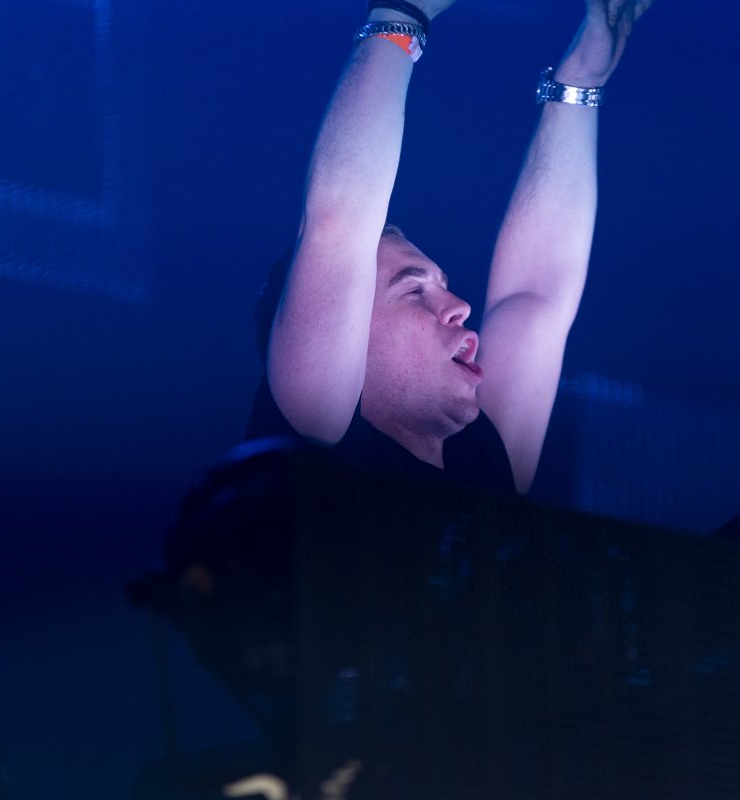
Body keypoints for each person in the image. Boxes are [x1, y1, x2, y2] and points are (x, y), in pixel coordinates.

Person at [248, 0, 652, 494]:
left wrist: (581, 81)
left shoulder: (481, 464)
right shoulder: (317, 430)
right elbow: (339, 223)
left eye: (439, 287)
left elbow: (532, 296)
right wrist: (402, 14)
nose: (460, 306)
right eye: (412, 290)